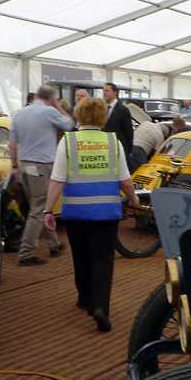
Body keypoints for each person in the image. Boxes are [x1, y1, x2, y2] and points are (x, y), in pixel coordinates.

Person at [43, 97, 137, 333]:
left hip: (76, 212)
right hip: (107, 213)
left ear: (79, 115)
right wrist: (134, 199)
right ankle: (101, 307)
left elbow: (57, 179)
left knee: (81, 256)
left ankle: (85, 298)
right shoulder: (113, 142)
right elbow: (124, 180)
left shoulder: (68, 142)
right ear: (103, 117)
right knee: (103, 261)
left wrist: (48, 209)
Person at [10, 85, 74, 265]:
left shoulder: (19, 113)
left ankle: (54, 243)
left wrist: (14, 166)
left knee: (39, 206)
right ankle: (26, 253)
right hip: (41, 165)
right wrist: (58, 106)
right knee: (38, 209)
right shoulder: (48, 112)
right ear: (51, 98)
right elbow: (69, 125)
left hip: (23, 164)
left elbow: (12, 144)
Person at [101, 82, 135, 161]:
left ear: (115, 93)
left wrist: (128, 151)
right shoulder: (101, 108)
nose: (104, 93)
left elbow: (129, 132)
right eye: (103, 91)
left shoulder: (123, 110)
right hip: (104, 147)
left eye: (107, 91)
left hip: (118, 149)